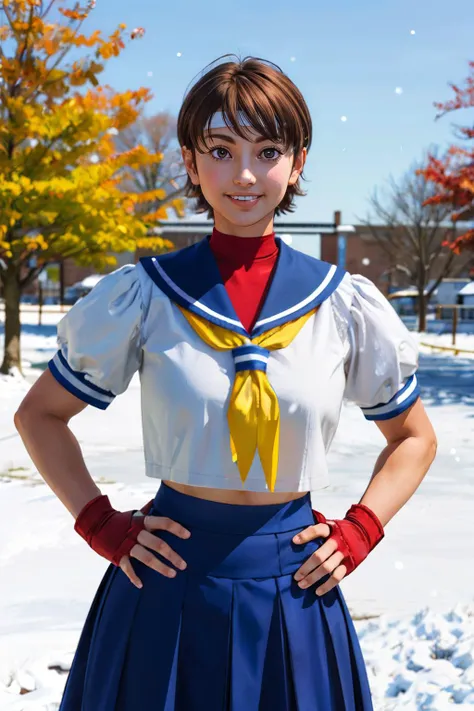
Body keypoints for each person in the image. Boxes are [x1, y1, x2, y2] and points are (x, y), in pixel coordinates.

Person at [14, 55, 437, 711]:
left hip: (295, 591)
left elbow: (413, 437)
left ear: (297, 163)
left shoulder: (342, 305)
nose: (244, 174)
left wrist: (359, 531)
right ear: (190, 161)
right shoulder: (146, 295)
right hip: (165, 582)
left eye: (268, 150)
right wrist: (100, 524)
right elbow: (38, 415)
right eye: (220, 149)